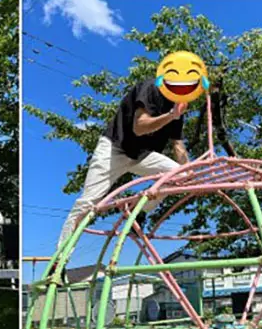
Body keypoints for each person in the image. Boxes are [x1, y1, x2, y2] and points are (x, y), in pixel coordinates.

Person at [57, 79, 190, 249]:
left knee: (181, 175)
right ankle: (60, 260)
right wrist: (171, 115)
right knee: (87, 203)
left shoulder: (178, 106)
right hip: (115, 148)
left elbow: (177, 145)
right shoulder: (151, 88)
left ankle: (138, 211)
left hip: (142, 155)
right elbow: (139, 127)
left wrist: (190, 173)